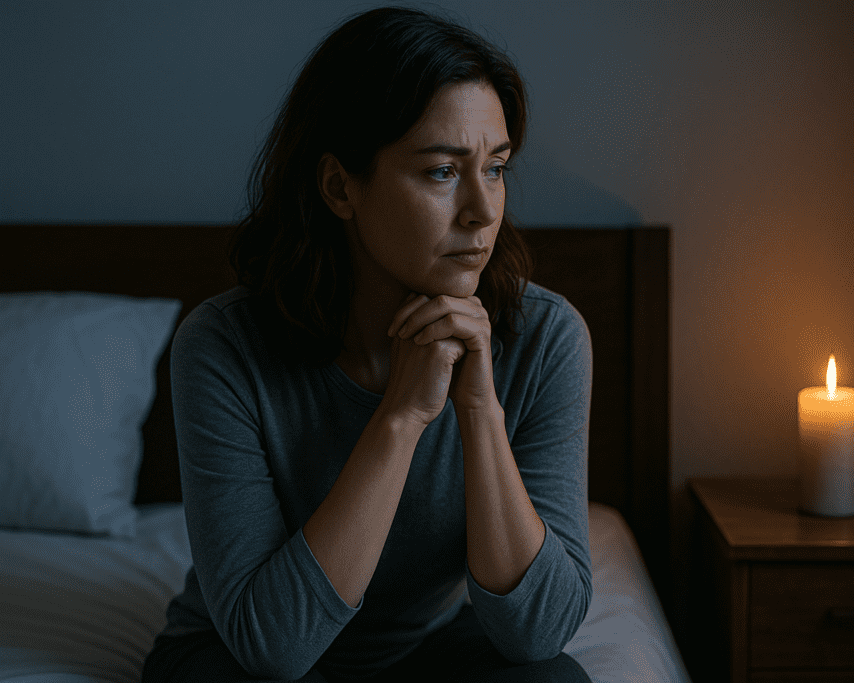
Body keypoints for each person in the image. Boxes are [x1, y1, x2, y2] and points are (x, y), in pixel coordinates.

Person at [141, 5, 594, 682]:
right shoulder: (223, 347)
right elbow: (274, 645)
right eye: (442, 171)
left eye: (495, 168)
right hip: (244, 659)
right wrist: (402, 416)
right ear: (338, 186)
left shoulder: (547, 336)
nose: (482, 209)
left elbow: (538, 632)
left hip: (437, 653)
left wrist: (478, 409)